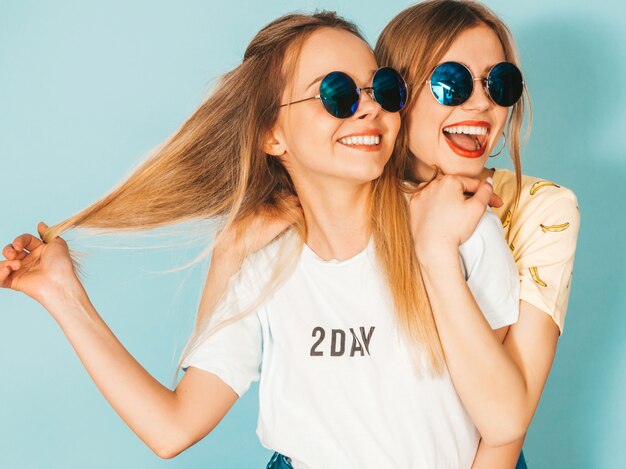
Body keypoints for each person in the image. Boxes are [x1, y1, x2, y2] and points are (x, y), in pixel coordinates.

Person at [1, 9, 519, 469]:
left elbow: (497, 429)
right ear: (273, 134)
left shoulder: (456, 224)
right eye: (336, 93)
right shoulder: (260, 263)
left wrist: (437, 253)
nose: (369, 109)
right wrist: (61, 294)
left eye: (382, 89)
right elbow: (172, 428)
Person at [374, 1, 581, 467]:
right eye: (453, 82)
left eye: (499, 83)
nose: (483, 103)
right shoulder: (347, 188)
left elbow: (506, 426)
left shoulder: (543, 208)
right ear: (397, 93)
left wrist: (436, 251)